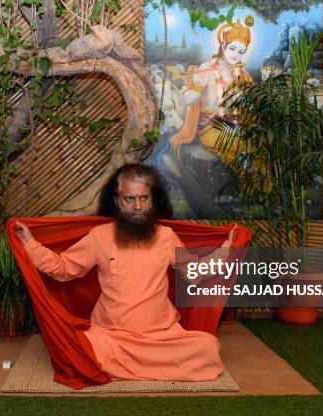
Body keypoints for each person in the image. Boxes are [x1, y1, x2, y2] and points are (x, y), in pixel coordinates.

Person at [14, 163, 235, 381]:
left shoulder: (166, 236)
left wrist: (226, 250)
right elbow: (63, 268)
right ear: (118, 201)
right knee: (78, 349)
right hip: (111, 336)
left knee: (207, 347)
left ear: (151, 200)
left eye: (144, 198)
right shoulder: (100, 236)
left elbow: (193, 273)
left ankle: (125, 366)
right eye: (130, 199)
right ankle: (144, 365)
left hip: (161, 336)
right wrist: (30, 244)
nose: (137, 206)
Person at [170, 17, 272, 196]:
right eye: (232, 48)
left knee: (259, 143)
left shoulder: (243, 75)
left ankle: (262, 190)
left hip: (238, 126)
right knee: (245, 144)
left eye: (241, 51)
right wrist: (199, 86)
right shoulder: (206, 68)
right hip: (211, 128)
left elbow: (252, 107)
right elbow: (187, 100)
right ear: (223, 45)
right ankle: (252, 185)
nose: (236, 54)